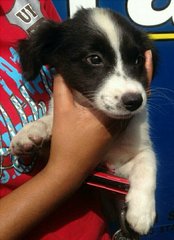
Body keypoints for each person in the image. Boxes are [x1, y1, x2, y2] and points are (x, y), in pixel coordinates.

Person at [0, 1, 153, 239]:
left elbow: (139, 154)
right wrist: (65, 170)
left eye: (134, 61)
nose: (131, 89)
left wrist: (143, 191)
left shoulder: (26, 4)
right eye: (95, 59)